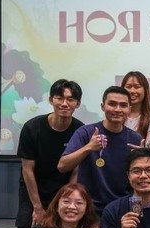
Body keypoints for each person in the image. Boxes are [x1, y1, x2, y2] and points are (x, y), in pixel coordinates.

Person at [16, 79, 85, 228]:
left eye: (70, 99)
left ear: (77, 104)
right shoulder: (32, 128)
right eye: (60, 98)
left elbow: (77, 170)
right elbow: (28, 170)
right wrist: (37, 208)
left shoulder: (80, 130)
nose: (65, 103)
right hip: (33, 193)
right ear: (51, 100)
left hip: (63, 194)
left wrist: (67, 200)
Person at [58, 86, 142, 214]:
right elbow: (62, 166)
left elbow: (139, 184)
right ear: (103, 106)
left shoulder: (135, 139)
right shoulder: (85, 132)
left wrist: (138, 213)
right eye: (112, 104)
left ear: (129, 109)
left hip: (121, 208)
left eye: (123, 105)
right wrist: (88, 148)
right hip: (89, 208)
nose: (117, 109)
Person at [122, 71, 150, 139]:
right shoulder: (114, 114)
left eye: (137, 87)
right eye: (128, 87)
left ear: (145, 90)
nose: (132, 91)